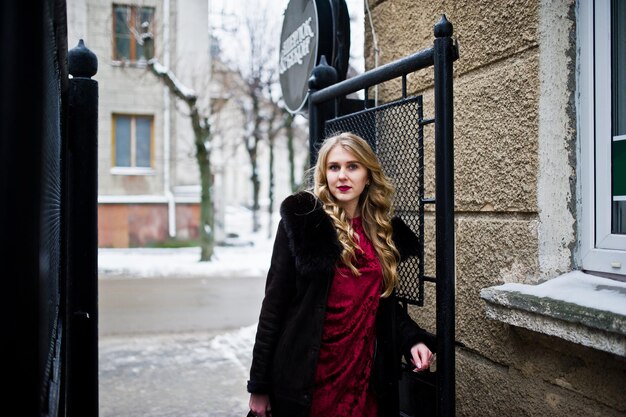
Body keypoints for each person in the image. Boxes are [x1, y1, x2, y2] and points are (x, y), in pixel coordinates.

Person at [247, 132, 435, 417]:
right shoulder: (303, 223)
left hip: (363, 378)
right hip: (307, 376)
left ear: (368, 175)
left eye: (353, 166)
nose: (342, 176)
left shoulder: (382, 233)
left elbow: (381, 306)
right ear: (324, 173)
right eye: (334, 167)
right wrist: (259, 385)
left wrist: (413, 340)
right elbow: (273, 307)